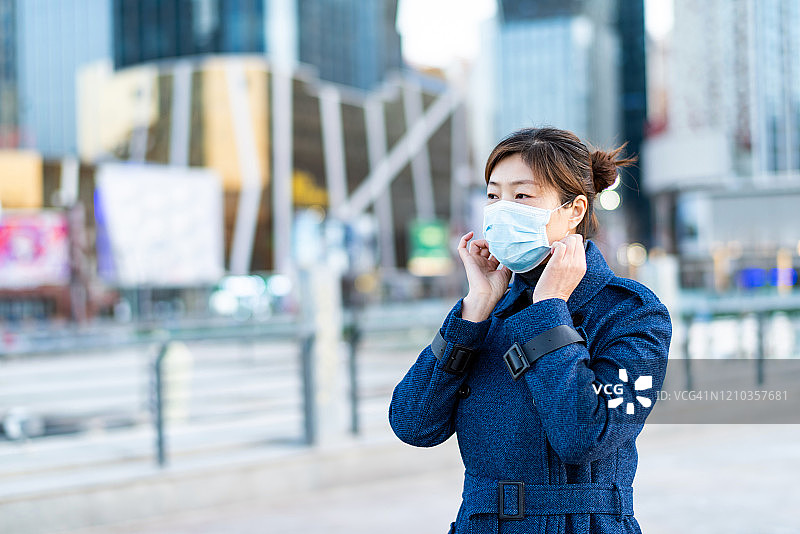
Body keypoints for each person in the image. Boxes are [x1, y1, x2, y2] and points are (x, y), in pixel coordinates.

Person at [388, 127, 672, 534]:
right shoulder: (488, 309)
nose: (503, 209)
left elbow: (585, 436)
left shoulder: (631, 312)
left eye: (522, 195)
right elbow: (413, 423)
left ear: (574, 210)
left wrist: (550, 309)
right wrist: (474, 310)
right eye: (493, 195)